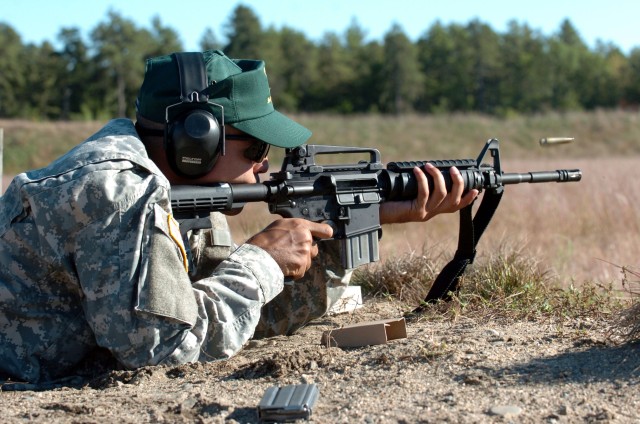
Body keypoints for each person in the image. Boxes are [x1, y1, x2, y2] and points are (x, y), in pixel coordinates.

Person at [0, 50, 478, 384]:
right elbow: (165, 351)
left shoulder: (186, 196)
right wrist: (260, 260)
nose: (264, 165)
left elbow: (233, 321)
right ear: (195, 141)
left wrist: (344, 227)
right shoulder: (120, 192)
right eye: (255, 147)